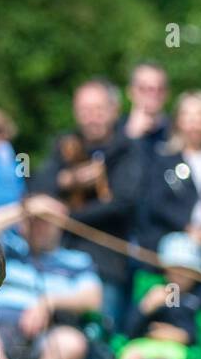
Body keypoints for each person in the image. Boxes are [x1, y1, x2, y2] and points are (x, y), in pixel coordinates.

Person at [34, 78, 143, 326]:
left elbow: (123, 203)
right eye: (85, 111)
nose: (91, 117)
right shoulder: (66, 144)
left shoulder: (129, 150)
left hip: (106, 264)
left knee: (99, 339)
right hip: (60, 262)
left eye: (98, 110)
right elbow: (39, 186)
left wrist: (66, 216)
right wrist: (69, 180)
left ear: (114, 110)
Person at [0, 196, 103, 359]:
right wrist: (23, 209)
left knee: (72, 343)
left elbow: (93, 299)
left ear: (61, 223)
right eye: (35, 220)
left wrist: (48, 303)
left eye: (47, 220)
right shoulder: (7, 249)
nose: (39, 226)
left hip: (47, 333)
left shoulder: (76, 260)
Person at [141, 90, 201, 271]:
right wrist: (191, 229)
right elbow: (157, 205)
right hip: (174, 239)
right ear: (178, 121)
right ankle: (175, 298)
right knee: (181, 255)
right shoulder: (163, 160)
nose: (193, 122)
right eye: (187, 115)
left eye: (199, 115)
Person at [120, 62, 170, 160]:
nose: (153, 94)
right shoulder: (114, 131)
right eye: (144, 88)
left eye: (159, 89)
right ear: (130, 92)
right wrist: (130, 136)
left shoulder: (176, 132)